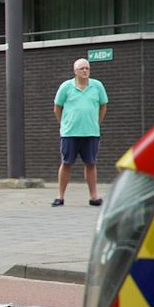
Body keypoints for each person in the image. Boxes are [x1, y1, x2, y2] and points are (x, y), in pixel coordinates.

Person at [53, 58, 108, 208]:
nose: (85, 71)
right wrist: (64, 123)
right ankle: (60, 196)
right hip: (70, 133)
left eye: (87, 68)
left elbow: (103, 106)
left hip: (91, 133)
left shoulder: (97, 86)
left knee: (91, 163)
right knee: (66, 163)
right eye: (82, 68)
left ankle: (93, 196)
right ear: (75, 71)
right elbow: (57, 108)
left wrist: (96, 123)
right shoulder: (66, 87)